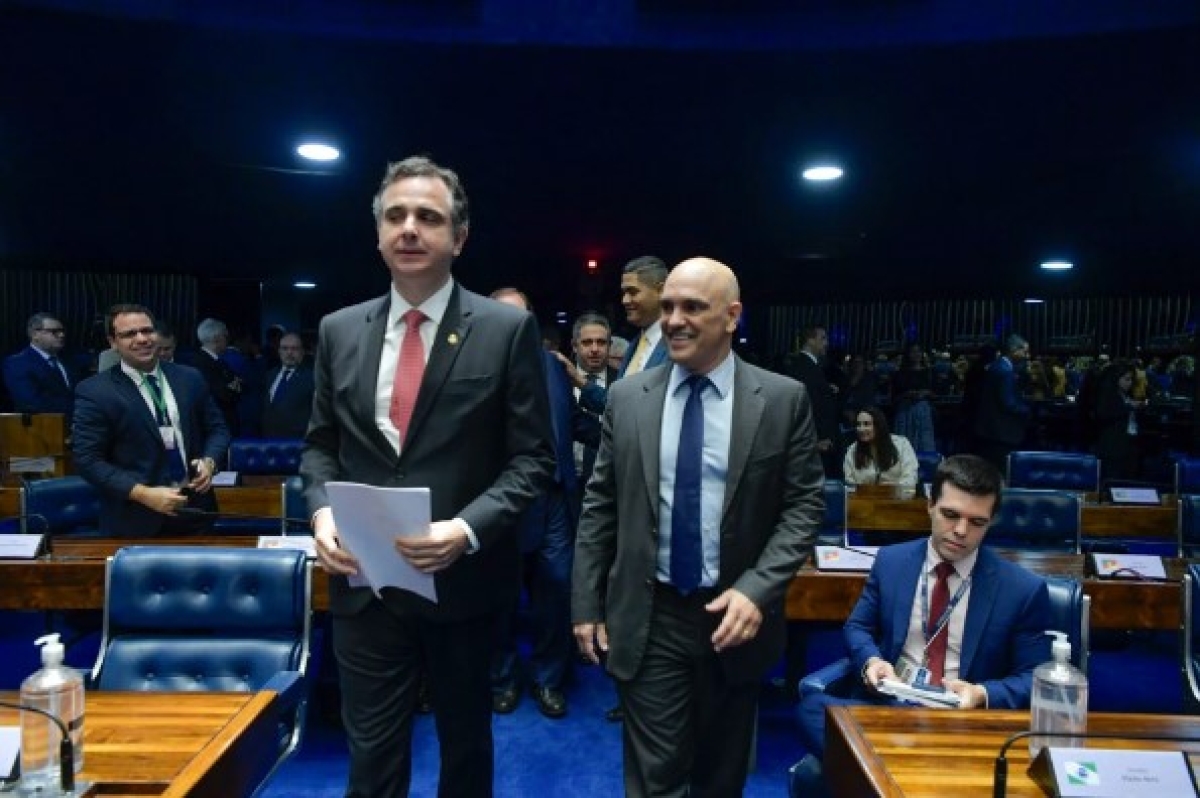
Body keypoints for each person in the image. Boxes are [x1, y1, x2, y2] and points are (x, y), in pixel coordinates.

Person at [301, 155, 556, 798]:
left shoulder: (505, 330)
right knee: (372, 757)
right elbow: (320, 448)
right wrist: (322, 514)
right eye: (395, 216)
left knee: (465, 750)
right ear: (378, 234)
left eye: (428, 217)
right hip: (363, 583)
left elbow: (534, 460)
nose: (409, 228)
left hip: (462, 582)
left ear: (459, 238)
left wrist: (467, 530)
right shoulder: (337, 330)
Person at [572, 256, 825, 797]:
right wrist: (586, 603)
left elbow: (803, 508)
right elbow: (601, 506)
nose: (674, 319)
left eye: (692, 307)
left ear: (732, 316)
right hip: (650, 613)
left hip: (734, 620)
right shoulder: (627, 398)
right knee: (655, 779)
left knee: (720, 777)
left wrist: (757, 591)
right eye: (667, 307)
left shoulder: (781, 401)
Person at [796, 455, 1051, 786]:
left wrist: (981, 694)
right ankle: (902, 773)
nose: (960, 531)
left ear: (990, 522)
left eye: (977, 522)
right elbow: (858, 627)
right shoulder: (891, 561)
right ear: (929, 504)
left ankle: (883, 776)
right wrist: (871, 661)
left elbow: (1036, 678)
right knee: (811, 709)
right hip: (890, 706)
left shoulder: (1022, 589)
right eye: (950, 515)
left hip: (963, 719)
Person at [489, 287, 594, 719]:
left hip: (552, 496)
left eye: (522, 316)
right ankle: (503, 677)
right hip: (501, 500)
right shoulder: (476, 365)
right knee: (500, 595)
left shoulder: (553, 365)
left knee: (556, 588)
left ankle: (549, 678)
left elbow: (570, 422)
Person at [72, 303, 230, 537]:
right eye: (129, 334)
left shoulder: (189, 378)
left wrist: (210, 461)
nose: (142, 338)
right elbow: (87, 459)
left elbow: (218, 429)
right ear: (113, 342)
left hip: (195, 512)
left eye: (147, 330)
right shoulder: (95, 391)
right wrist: (143, 494)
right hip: (134, 518)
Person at [552, 312, 616, 486]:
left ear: (610, 346)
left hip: (609, 483)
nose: (594, 349)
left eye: (601, 342)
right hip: (563, 484)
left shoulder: (623, 382)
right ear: (574, 346)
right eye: (587, 342)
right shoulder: (557, 381)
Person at [787, 324, 842, 477]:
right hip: (818, 446)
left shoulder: (809, 366)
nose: (827, 343)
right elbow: (807, 408)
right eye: (823, 338)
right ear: (810, 340)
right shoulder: (804, 368)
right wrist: (815, 442)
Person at [973, 334, 1031, 472]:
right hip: (1002, 431)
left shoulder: (997, 366)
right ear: (1013, 350)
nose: (1027, 355)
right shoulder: (1006, 371)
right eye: (1024, 351)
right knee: (1001, 471)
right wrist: (1027, 409)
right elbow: (1009, 403)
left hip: (991, 429)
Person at [3, 312, 78, 420]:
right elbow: (31, 402)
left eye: (62, 331)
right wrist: (81, 407)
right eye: (54, 332)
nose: (62, 335)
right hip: (40, 430)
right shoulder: (17, 363)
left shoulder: (70, 361)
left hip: (78, 427)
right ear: (35, 335)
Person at [842, 406, 919, 488]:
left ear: (879, 426)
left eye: (866, 424)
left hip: (898, 497)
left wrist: (891, 489)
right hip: (864, 499)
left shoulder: (902, 444)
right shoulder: (852, 450)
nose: (861, 429)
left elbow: (911, 479)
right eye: (858, 424)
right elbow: (849, 483)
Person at [192, 317, 244, 436]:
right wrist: (234, 387)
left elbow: (241, 385)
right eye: (226, 336)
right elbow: (224, 394)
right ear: (217, 338)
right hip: (216, 428)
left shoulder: (220, 362)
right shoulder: (201, 363)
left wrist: (234, 386)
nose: (228, 340)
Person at [1092, 361, 1142, 482]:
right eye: (1127, 379)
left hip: (1128, 446)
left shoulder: (1125, 395)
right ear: (1116, 378)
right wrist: (1130, 407)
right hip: (1112, 447)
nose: (1130, 383)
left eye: (1131, 379)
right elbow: (1103, 414)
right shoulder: (1107, 396)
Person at [261, 332, 315, 439]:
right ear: (279, 351)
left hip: (297, 444)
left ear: (302, 352)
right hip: (268, 443)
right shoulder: (270, 375)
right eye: (285, 348)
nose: (289, 353)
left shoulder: (312, 378)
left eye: (294, 349)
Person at [891, 342, 936, 453]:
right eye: (913, 351)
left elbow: (935, 394)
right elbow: (894, 396)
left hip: (923, 412)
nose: (916, 354)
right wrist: (907, 394)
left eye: (918, 351)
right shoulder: (900, 374)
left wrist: (925, 393)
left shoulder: (929, 373)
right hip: (905, 411)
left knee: (924, 444)